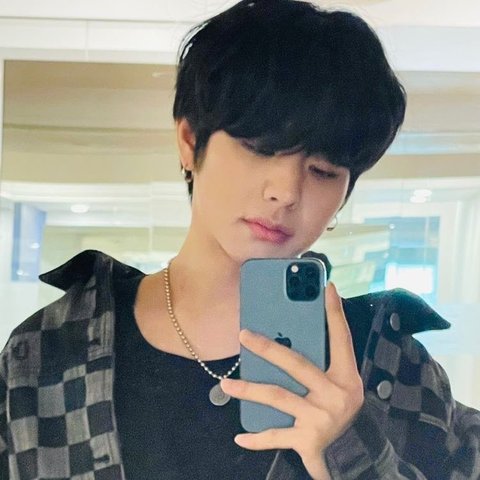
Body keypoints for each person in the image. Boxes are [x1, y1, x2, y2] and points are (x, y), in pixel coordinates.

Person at [1, 0, 479, 479]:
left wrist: (353, 454)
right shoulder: (44, 355)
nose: (286, 192)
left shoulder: (394, 368)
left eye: (322, 171)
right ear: (190, 141)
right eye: (260, 149)